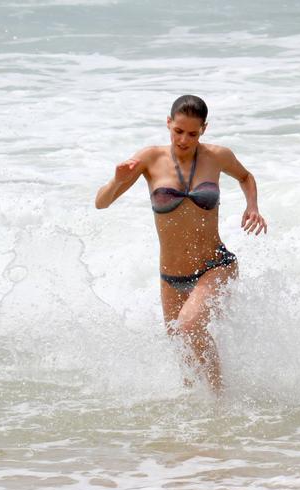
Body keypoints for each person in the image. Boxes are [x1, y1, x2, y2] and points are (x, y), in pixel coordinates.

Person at [95, 95, 267, 392]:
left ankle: (220, 400)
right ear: (168, 123)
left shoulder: (217, 156)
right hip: (171, 277)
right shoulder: (150, 159)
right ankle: (194, 426)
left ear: (204, 129)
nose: (184, 139)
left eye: (193, 133)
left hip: (215, 265)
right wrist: (116, 180)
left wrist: (252, 206)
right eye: (178, 131)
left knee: (189, 328)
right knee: (185, 361)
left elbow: (245, 176)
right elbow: (102, 203)